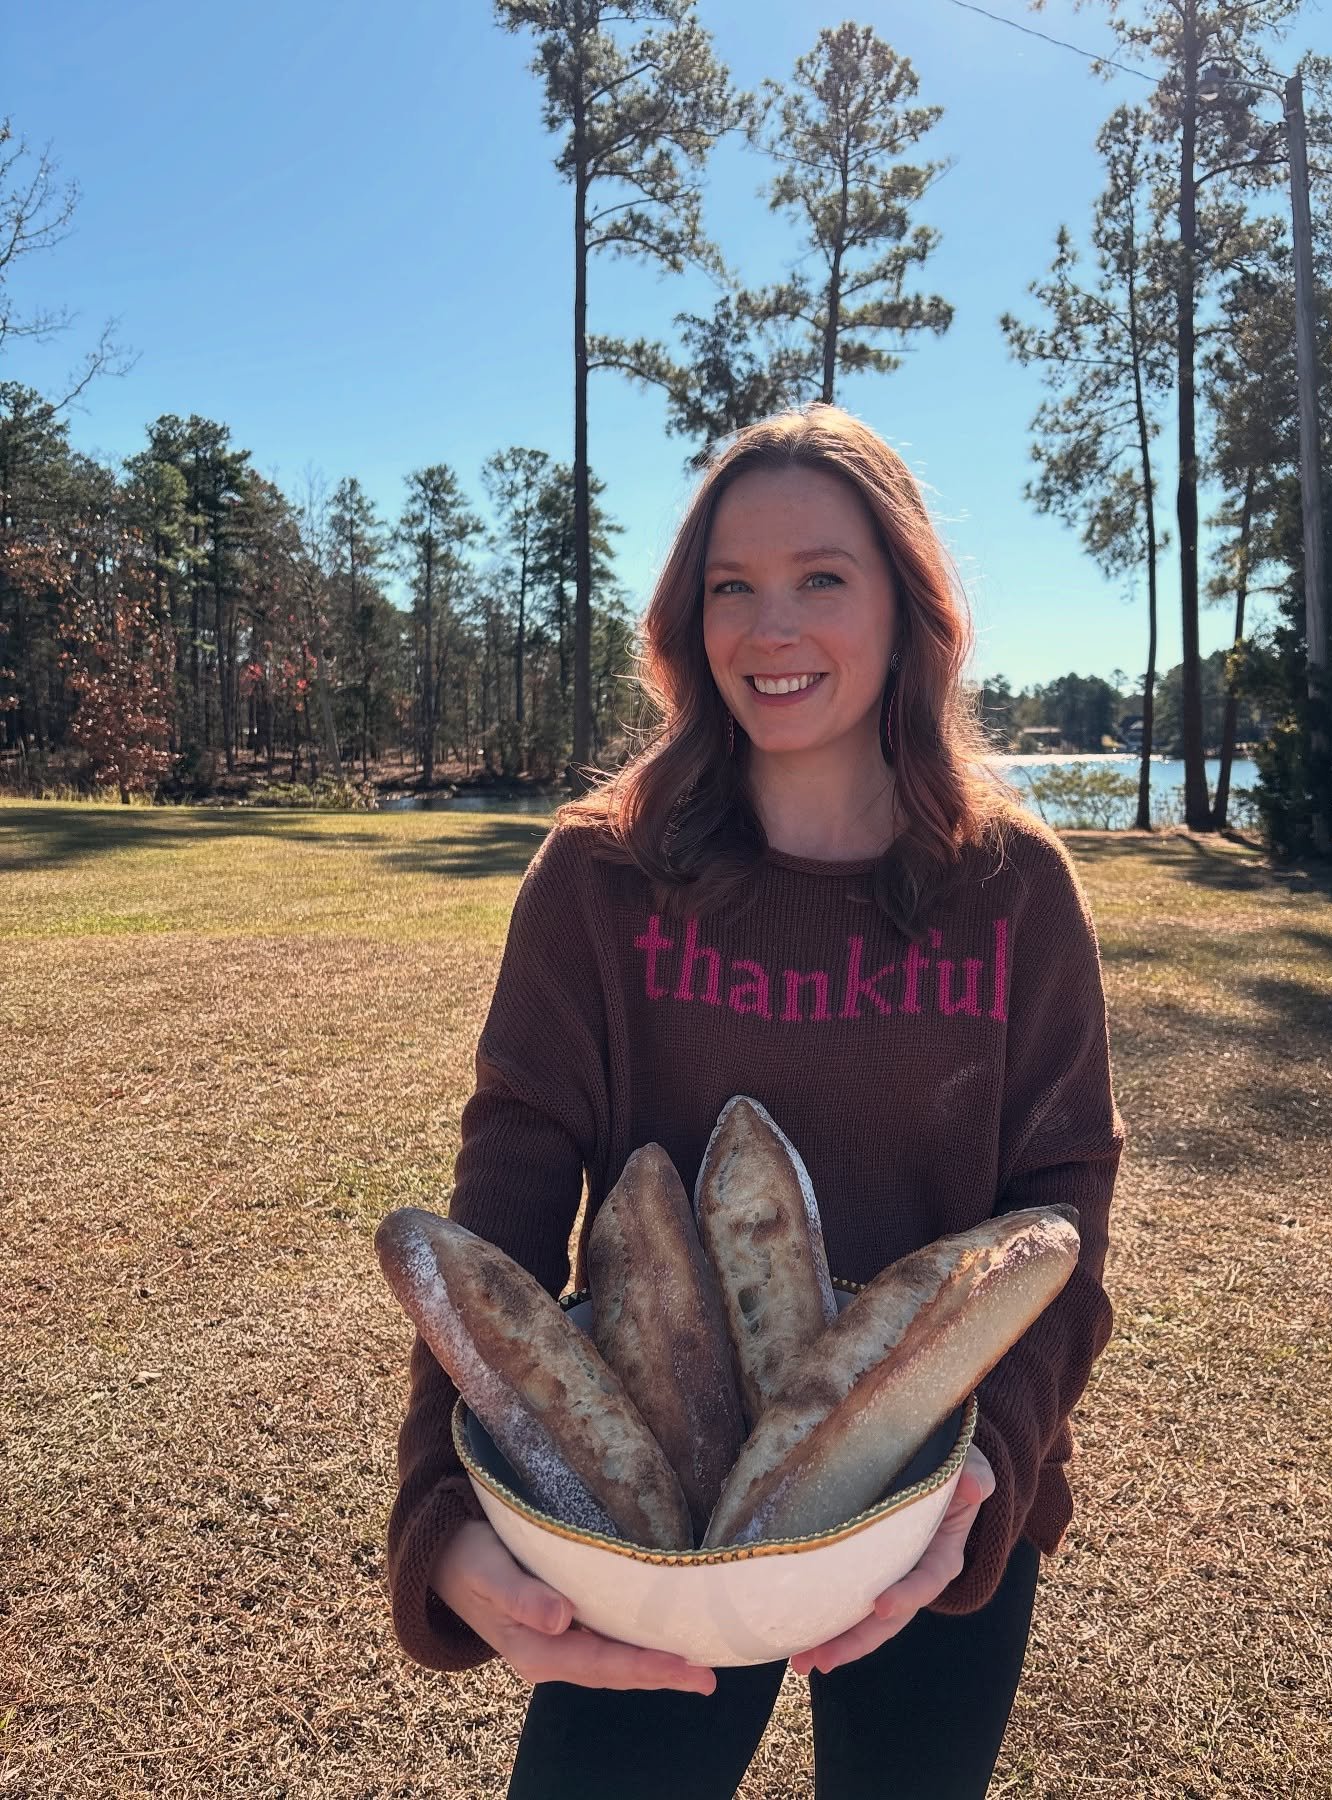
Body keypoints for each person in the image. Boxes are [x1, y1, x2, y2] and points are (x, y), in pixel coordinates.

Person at [385, 404, 1125, 1798]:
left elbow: (1063, 1208)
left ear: (909, 606)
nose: (769, 628)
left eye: (821, 579)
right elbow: (503, 1205)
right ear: (687, 618)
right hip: (649, 1528)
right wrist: (441, 1504)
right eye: (733, 585)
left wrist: (993, 1473)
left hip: (937, 1503)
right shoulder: (599, 878)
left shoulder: (1015, 891)